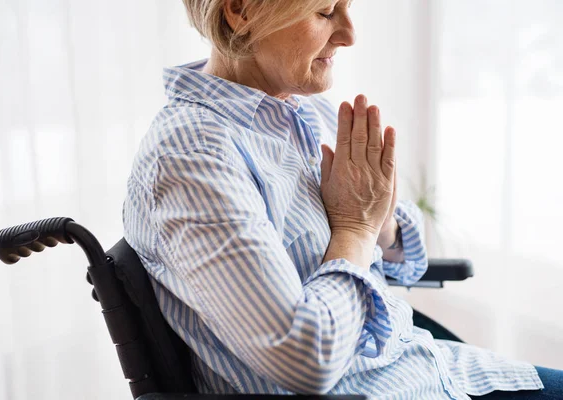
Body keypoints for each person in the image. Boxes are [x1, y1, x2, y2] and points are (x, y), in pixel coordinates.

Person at [123, 0, 562, 398]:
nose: (350, 34)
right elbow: (305, 358)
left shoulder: (303, 110)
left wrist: (380, 222)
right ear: (240, 10)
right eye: (326, 11)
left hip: (428, 367)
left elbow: (398, 251)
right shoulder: (191, 157)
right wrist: (355, 227)